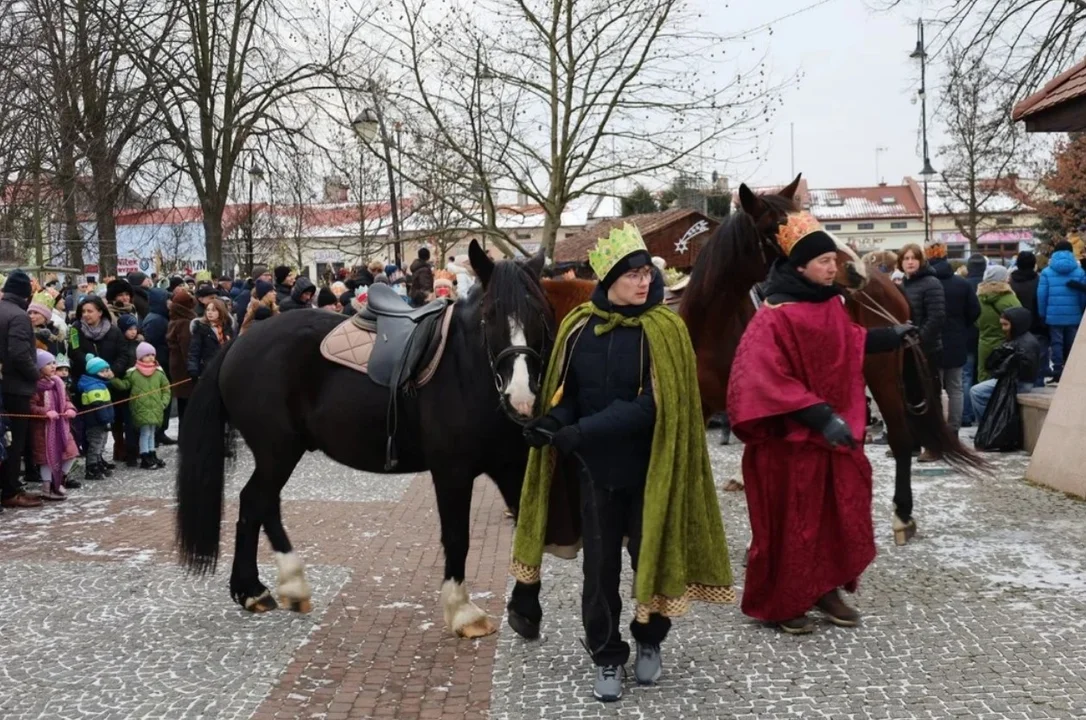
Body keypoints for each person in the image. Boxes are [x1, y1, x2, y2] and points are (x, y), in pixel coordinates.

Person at [516, 223, 733, 703]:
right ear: (611, 277)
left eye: (646, 274)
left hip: (651, 468)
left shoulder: (664, 329)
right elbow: (568, 394)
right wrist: (552, 423)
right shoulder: (578, 328)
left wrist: (580, 431)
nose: (645, 281)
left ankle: (650, 639)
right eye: (634, 273)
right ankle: (606, 654)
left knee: (650, 559)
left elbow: (653, 406)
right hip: (596, 473)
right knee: (599, 571)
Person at [725, 212, 915, 635]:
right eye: (825, 261)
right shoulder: (773, 315)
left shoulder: (830, 303)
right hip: (788, 441)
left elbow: (846, 342)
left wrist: (891, 336)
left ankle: (825, 588)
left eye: (833, 259)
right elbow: (762, 378)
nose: (834, 268)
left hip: (829, 438)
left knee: (833, 513)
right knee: (792, 522)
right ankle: (781, 602)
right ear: (800, 267)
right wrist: (819, 415)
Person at [0, 271, 45, 509]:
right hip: (16, 386)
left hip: (3, 385)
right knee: (15, 441)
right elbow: (19, 353)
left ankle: (8, 486)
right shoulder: (18, 316)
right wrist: (35, 374)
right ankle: (10, 490)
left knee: (3, 438)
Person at [927, 242, 980, 439]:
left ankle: (937, 429)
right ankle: (954, 428)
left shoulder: (927, 283)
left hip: (932, 341)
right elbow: (975, 311)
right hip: (957, 340)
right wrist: (961, 326)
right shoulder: (962, 283)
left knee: (934, 388)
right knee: (955, 387)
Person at [969, 307, 1042, 424]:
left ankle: (987, 424)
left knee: (977, 392)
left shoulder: (1026, 343)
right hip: (1014, 380)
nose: (1003, 329)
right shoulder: (1018, 339)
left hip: (1019, 383)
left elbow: (1024, 370)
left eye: (1006, 325)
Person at [111, 342, 170, 469]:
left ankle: (152, 453)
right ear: (140, 357)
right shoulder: (133, 373)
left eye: (152, 355)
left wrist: (163, 402)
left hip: (155, 407)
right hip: (140, 408)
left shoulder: (159, 373)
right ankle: (145, 456)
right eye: (147, 355)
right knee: (145, 433)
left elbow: (166, 388)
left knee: (152, 432)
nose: (151, 357)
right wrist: (113, 379)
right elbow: (125, 385)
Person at [30, 350, 79, 501]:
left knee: (71, 453)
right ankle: (47, 486)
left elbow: (66, 400)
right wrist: (45, 412)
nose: (52, 366)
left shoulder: (58, 383)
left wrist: (70, 408)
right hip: (43, 430)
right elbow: (30, 407)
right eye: (48, 364)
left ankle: (59, 480)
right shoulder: (35, 386)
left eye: (53, 363)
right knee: (46, 459)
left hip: (62, 427)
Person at [1038, 240, 1086, 382]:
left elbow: (1042, 295)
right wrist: (1080, 309)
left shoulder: (1047, 272)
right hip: (1074, 313)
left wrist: (1042, 313)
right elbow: (1083, 295)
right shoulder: (1079, 271)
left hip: (1053, 314)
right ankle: (1071, 369)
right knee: (1072, 341)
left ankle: (1058, 370)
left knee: (1056, 342)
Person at [977, 265, 1022, 383]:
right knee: (1004, 379)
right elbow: (1021, 317)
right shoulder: (1009, 298)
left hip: (984, 342)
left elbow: (975, 320)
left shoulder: (979, 297)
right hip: (1006, 344)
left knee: (984, 377)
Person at [1009, 251, 1049, 386]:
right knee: (1039, 359)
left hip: (1015, 328)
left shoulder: (1010, 282)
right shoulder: (1040, 280)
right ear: (1034, 264)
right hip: (1038, 326)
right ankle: (1037, 386)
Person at [77, 354, 115, 480]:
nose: (106, 373)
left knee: (101, 443)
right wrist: (106, 420)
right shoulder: (94, 387)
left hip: (101, 421)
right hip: (95, 421)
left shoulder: (100, 384)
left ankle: (98, 462)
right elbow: (99, 406)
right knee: (96, 444)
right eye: (103, 371)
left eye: (106, 370)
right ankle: (91, 467)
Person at [961, 254, 989, 425]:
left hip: (966, 337)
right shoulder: (990, 286)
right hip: (985, 337)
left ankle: (965, 415)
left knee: (966, 376)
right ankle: (982, 416)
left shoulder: (963, 285)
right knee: (982, 376)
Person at [166, 289, 197, 428]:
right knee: (187, 404)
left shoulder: (175, 319)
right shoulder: (185, 323)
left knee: (183, 402)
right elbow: (187, 348)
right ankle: (186, 436)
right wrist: (193, 368)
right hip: (184, 368)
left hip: (177, 366)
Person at [188, 298, 235, 380]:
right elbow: (194, 351)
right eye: (208, 310)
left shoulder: (227, 328)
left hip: (225, 368)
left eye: (213, 310)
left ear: (220, 311)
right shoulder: (201, 329)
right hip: (208, 369)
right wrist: (193, 369)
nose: (209, 312)